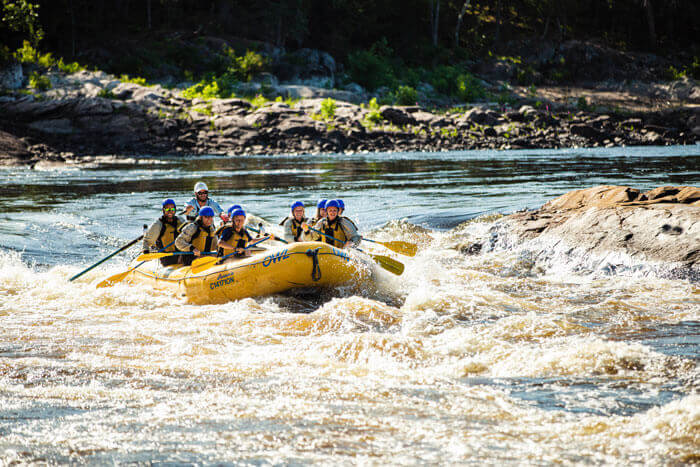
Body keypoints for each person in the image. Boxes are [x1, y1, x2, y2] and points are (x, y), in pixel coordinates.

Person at [142, 198, 186, 266]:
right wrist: (146, 253)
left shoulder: (181, 220)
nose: (170, 211)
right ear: (163, 210)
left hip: (181, 254)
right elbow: (147, 241)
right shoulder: (158, 224)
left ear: (175, 210)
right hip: (166, 256)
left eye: (172, 209)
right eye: (167, 209)